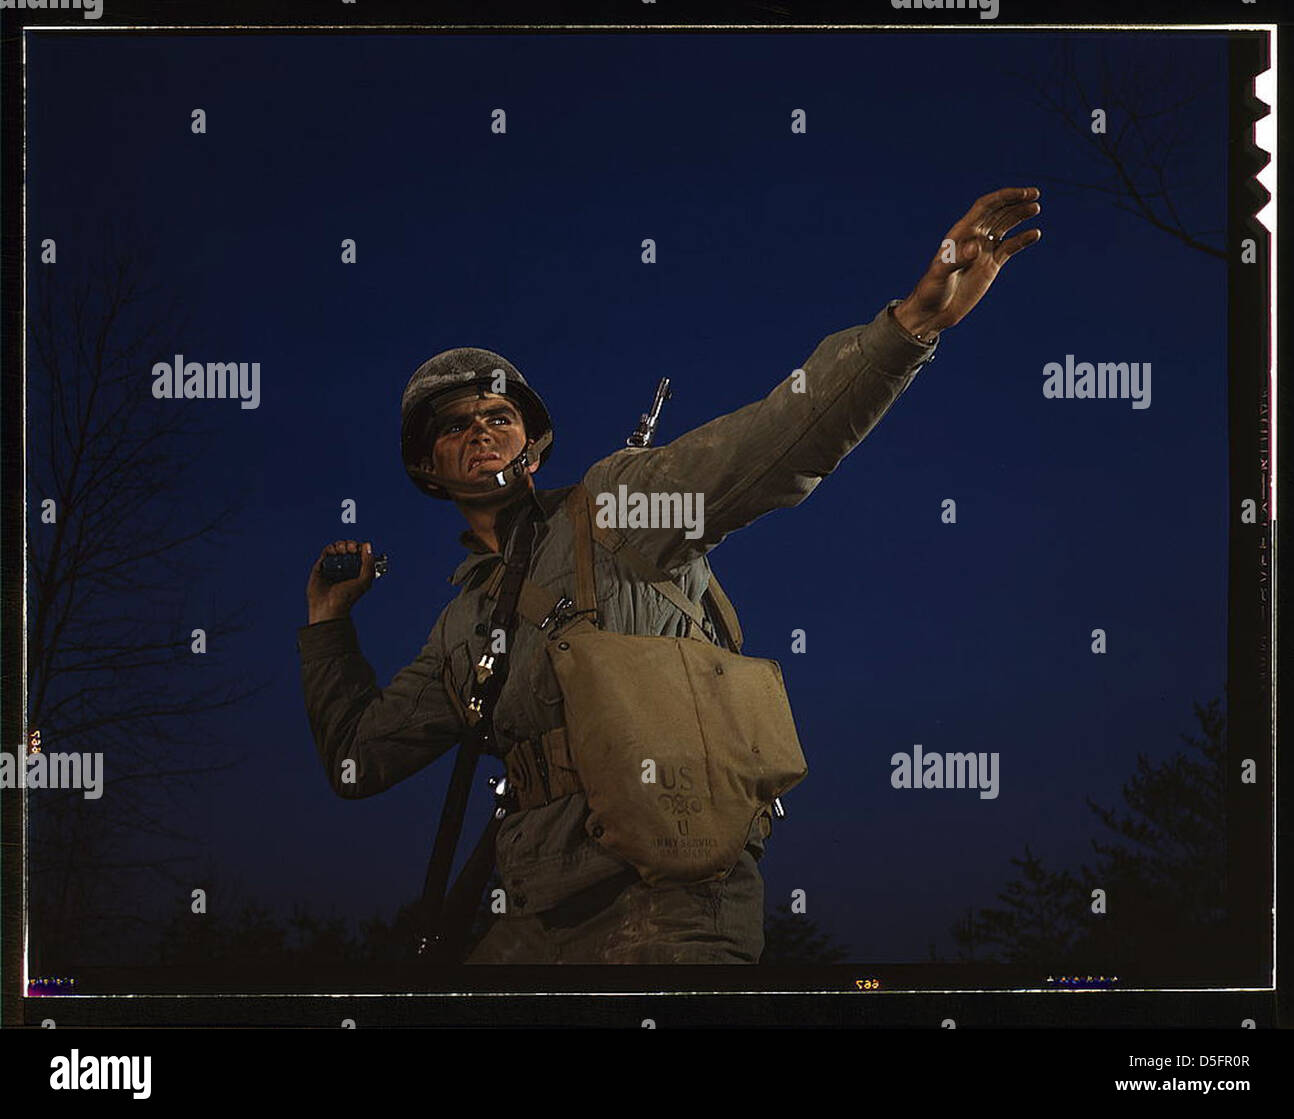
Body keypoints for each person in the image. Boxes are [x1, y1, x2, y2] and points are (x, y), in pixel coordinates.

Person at [297, 187, 1042, 963]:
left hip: (671, 905)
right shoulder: (461, 627)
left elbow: (771, 441)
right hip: (529, 923)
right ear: (427, 465)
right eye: (454, 425)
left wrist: (911, 326)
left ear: (534, 445)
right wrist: (328, 623)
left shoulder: (617, 504)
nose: (481, 429)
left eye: (499, 415)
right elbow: (358, 759)